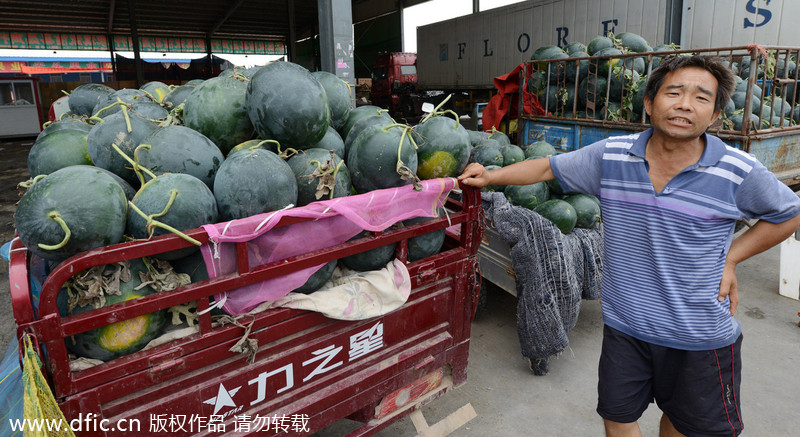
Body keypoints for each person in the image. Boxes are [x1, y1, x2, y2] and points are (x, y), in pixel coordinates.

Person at [459, 55, 800, 437]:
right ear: (650, 103)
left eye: (702, 98)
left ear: (716, 115)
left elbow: (789, 214)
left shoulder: (738, 170)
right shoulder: (613, 155)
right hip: (626, 327)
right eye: (674, 92)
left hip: (698, 335)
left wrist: (732, 258)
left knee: (686, 423)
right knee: (618, 416)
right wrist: (490, 175)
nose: (685, 104)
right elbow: (547, 168)